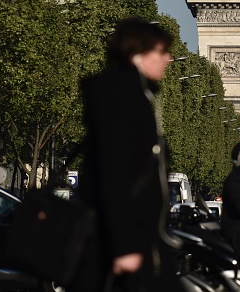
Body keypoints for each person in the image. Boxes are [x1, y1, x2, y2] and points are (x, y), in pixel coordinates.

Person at [75, 18, 183, 292]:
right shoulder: (121, 100)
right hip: (125, 245)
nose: (169, 59)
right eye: (161, 51)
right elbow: (114, 176)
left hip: (141, 238)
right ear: (138, 54)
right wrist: (124, 247)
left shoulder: (133, 96)